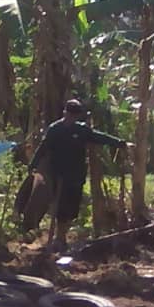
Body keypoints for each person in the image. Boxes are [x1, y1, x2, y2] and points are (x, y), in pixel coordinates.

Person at [29, 98, 130, 252]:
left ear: (77, 116)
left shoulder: (81, 130)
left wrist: (120, 143)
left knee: (72, 208)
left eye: (74, 116)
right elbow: (43, 148)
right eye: (69, 115)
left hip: (76, 176)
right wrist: (33, 164)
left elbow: (99, 137)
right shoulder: (55, 129)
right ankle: (59, 238)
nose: (71, 118)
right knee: (60, 207)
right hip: (59, 174)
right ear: (65, 113)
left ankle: (62, 236)